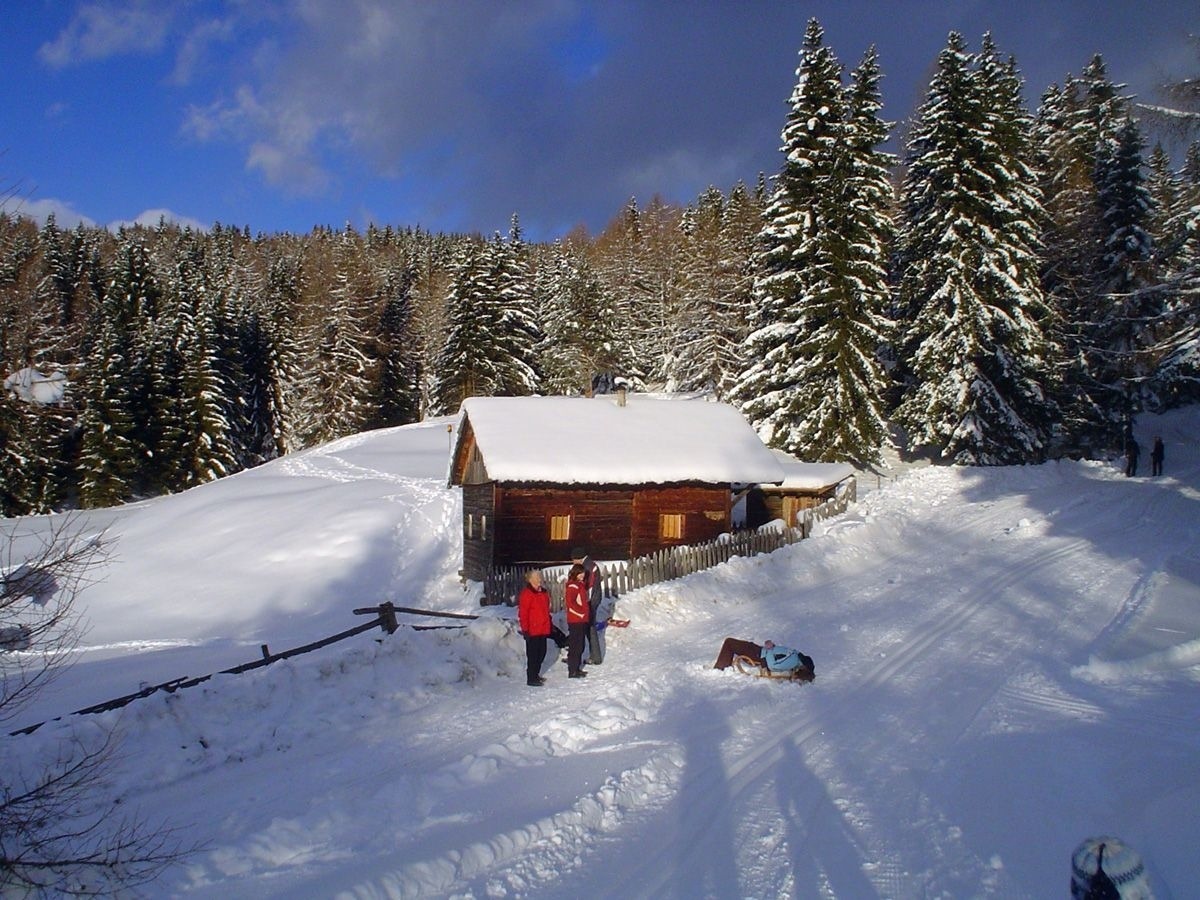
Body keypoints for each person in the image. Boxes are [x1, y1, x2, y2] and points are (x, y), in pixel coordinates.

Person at [517, 568, 552, 687]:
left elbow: (546, 609)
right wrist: (525, 629)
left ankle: (536, 674)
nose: (539, 580)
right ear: (530, 580)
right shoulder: (527, 594)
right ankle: (531, 678)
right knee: (533, 655)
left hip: (543, 628)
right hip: (532, 630)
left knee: (542, 652)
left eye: (540, 577)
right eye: (537, 578)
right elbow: (523, 613)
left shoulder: (543, 592)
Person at [571, 546, 605, 664]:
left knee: (589, 627)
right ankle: (592, 655)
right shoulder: (590, 564)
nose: (573, 563)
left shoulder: (588, 567)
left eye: (573, 560)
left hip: (590, 600)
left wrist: (586, 603)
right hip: (593, 599)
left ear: (578, 558)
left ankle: (594, 657)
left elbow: (589, 586)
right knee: (588, 627)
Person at [564, 563, 590, 678]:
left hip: (581, 619)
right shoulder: (572, 586)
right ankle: (572, 670)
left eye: (583, 573)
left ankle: (576, 668)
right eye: (580, 573)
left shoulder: (580, 585)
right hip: (575, 620)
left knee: (580, 645)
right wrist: (581, 612)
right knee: (575, 645)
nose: (582, 575)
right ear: (575, 574)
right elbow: (571, 603)